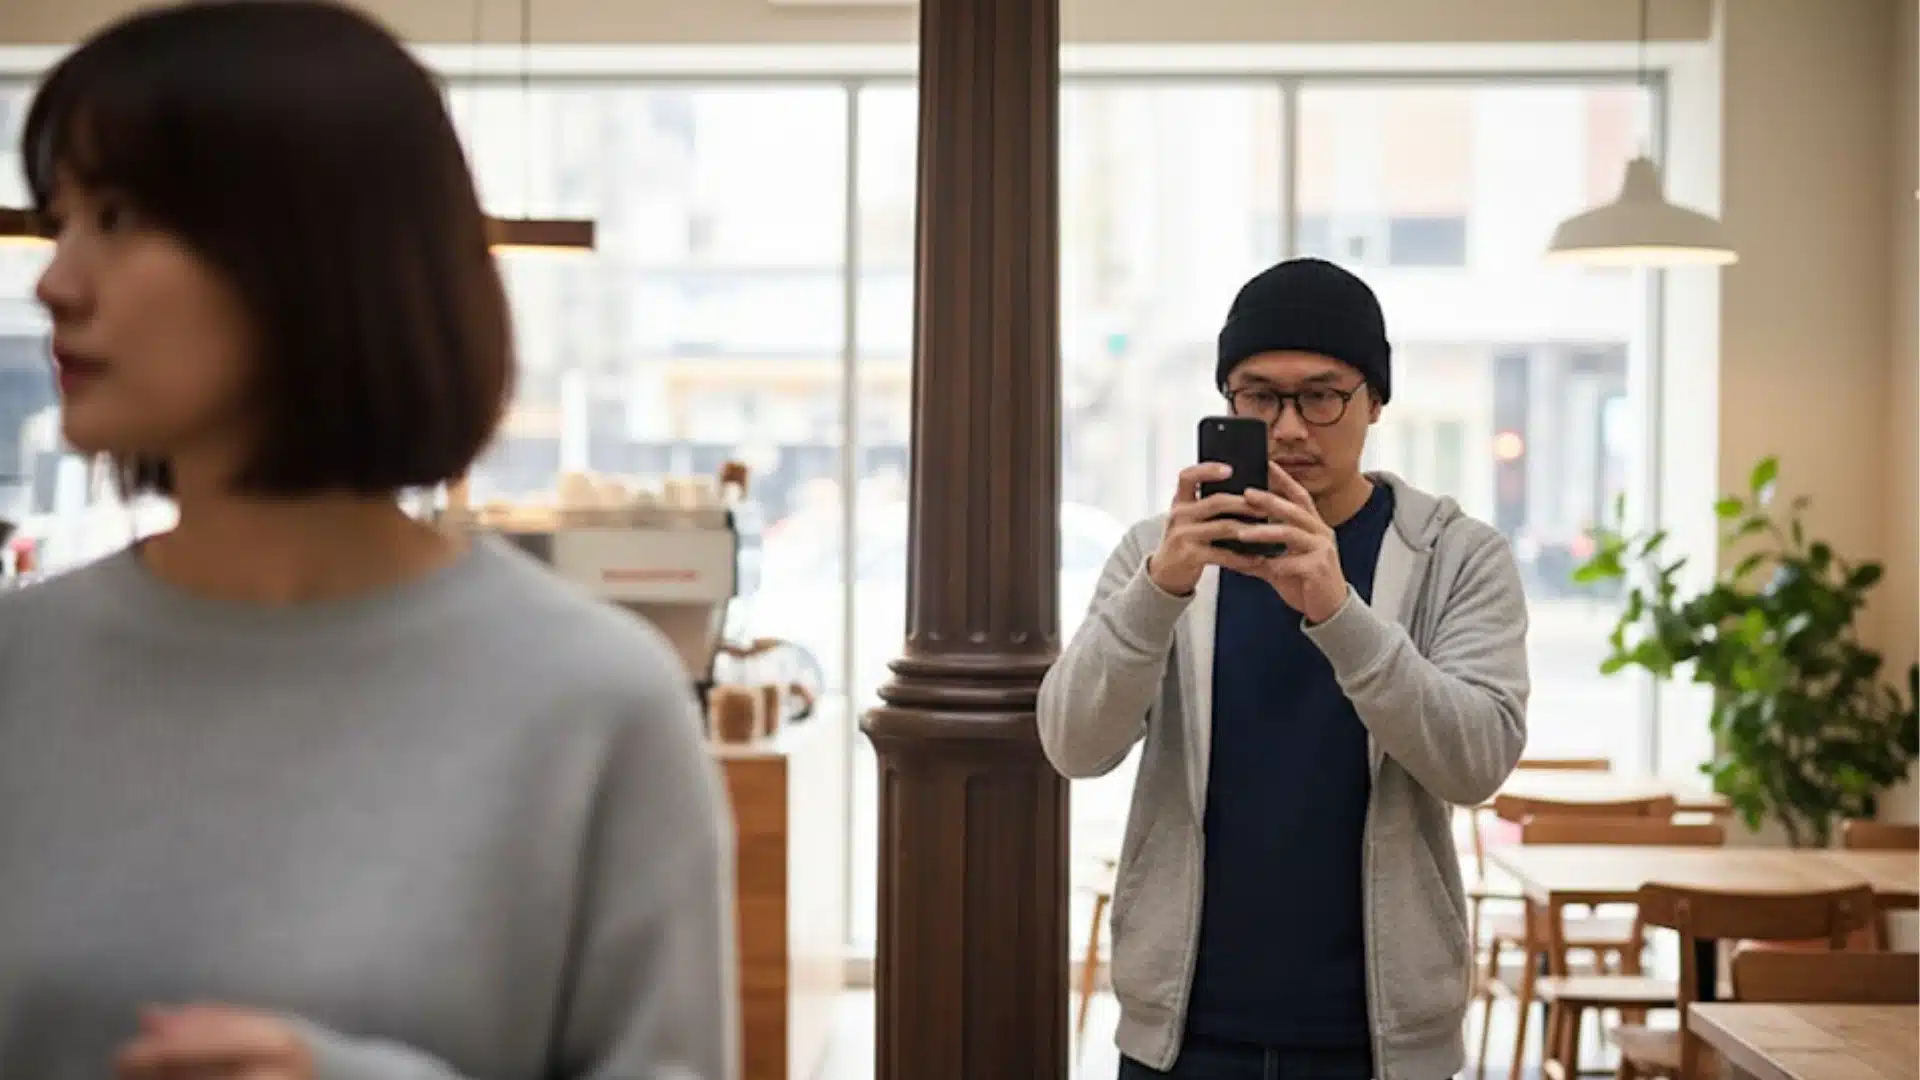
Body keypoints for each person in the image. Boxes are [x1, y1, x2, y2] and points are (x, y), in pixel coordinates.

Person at [0, 3, 738, 1078]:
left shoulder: (595, 705)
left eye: (115, 218)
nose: (54, 281)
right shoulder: (19, 671)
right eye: (59, 219)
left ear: (313, 255)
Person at [1038, 257, 1530, 1080]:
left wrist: (1338, 611)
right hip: (1180, 1033)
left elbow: (1477, 762)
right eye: (1260, 397)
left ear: (1375, 400)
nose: (1292, 428)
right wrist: (1159, 590)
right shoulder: (1160, 554)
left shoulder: (1455, 556)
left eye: (1323, 395)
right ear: (1228, 402)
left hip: (1381, 1040)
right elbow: (1073, 744)